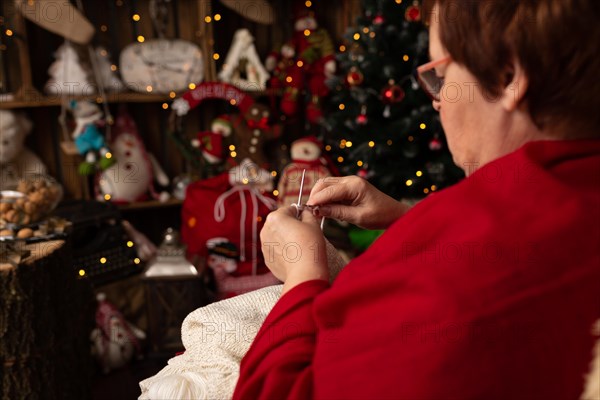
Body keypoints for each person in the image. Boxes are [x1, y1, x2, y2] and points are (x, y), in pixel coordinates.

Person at [233, 0, 600, 398]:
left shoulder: (441, 287)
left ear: (508, 76)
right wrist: (407, 218)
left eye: (440, 76)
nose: (437, 101)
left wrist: (302, 273)